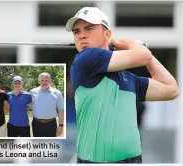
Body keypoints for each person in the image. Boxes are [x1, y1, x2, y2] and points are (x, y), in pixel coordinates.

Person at [66, 7, 179, 163]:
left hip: (133, 160)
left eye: (89, 28)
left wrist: (145, 53)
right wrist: (132, 45)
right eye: (76, 31)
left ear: (107, 34)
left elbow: (171, 89)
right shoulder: (85, 59)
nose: (81, 35)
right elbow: (143, 55)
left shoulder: (128, 79)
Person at [29, 72, 64, 137]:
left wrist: (61, 125)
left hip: (51, 124)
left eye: (46, 80)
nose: (44, 82)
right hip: (36, 124)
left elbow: (61, 110)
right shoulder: (32, 92)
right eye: (42, 80)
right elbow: (30, 104)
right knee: (37, 145)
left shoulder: (57, 93)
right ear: (39, 81)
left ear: (50, 81)